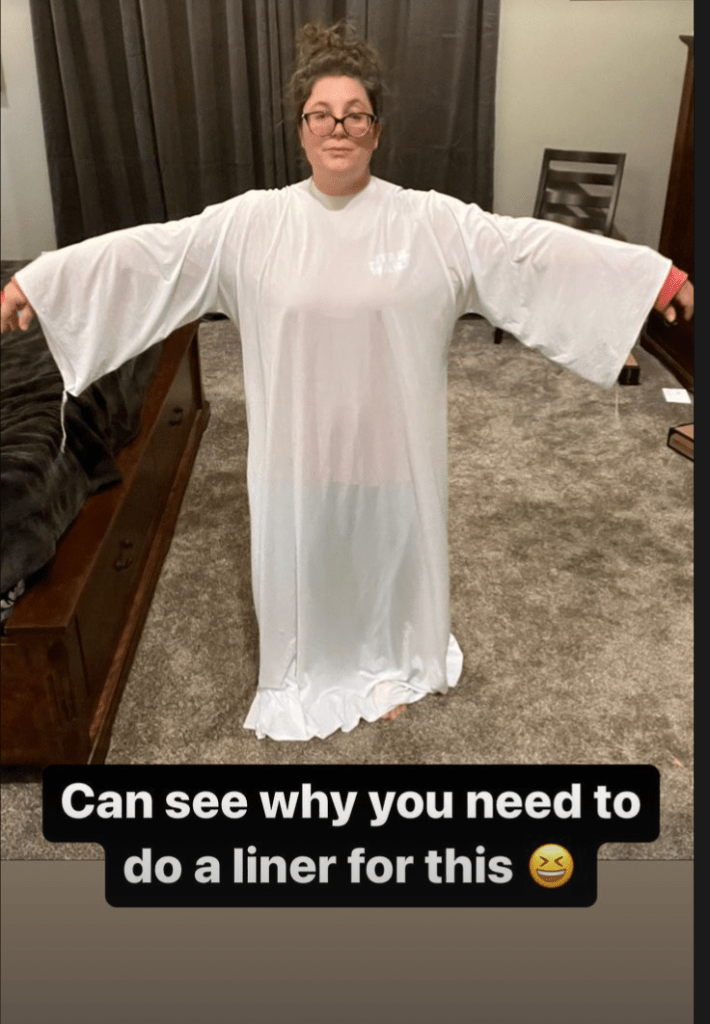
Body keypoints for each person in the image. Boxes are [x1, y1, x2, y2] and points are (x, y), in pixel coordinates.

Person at [1, 22, 694, 741]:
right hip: (296, 453)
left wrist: (649, 276)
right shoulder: (252, 224)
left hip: (391, 450)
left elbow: (523, 250)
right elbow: (155, 255)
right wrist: (43, 283)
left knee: (387, 553)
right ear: (301, 130)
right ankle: (313, 667)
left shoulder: (429, 222)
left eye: (355, 115)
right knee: (311, 555)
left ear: (376, 130)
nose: (339, 128)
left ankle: (393, 659)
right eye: (322, 115)